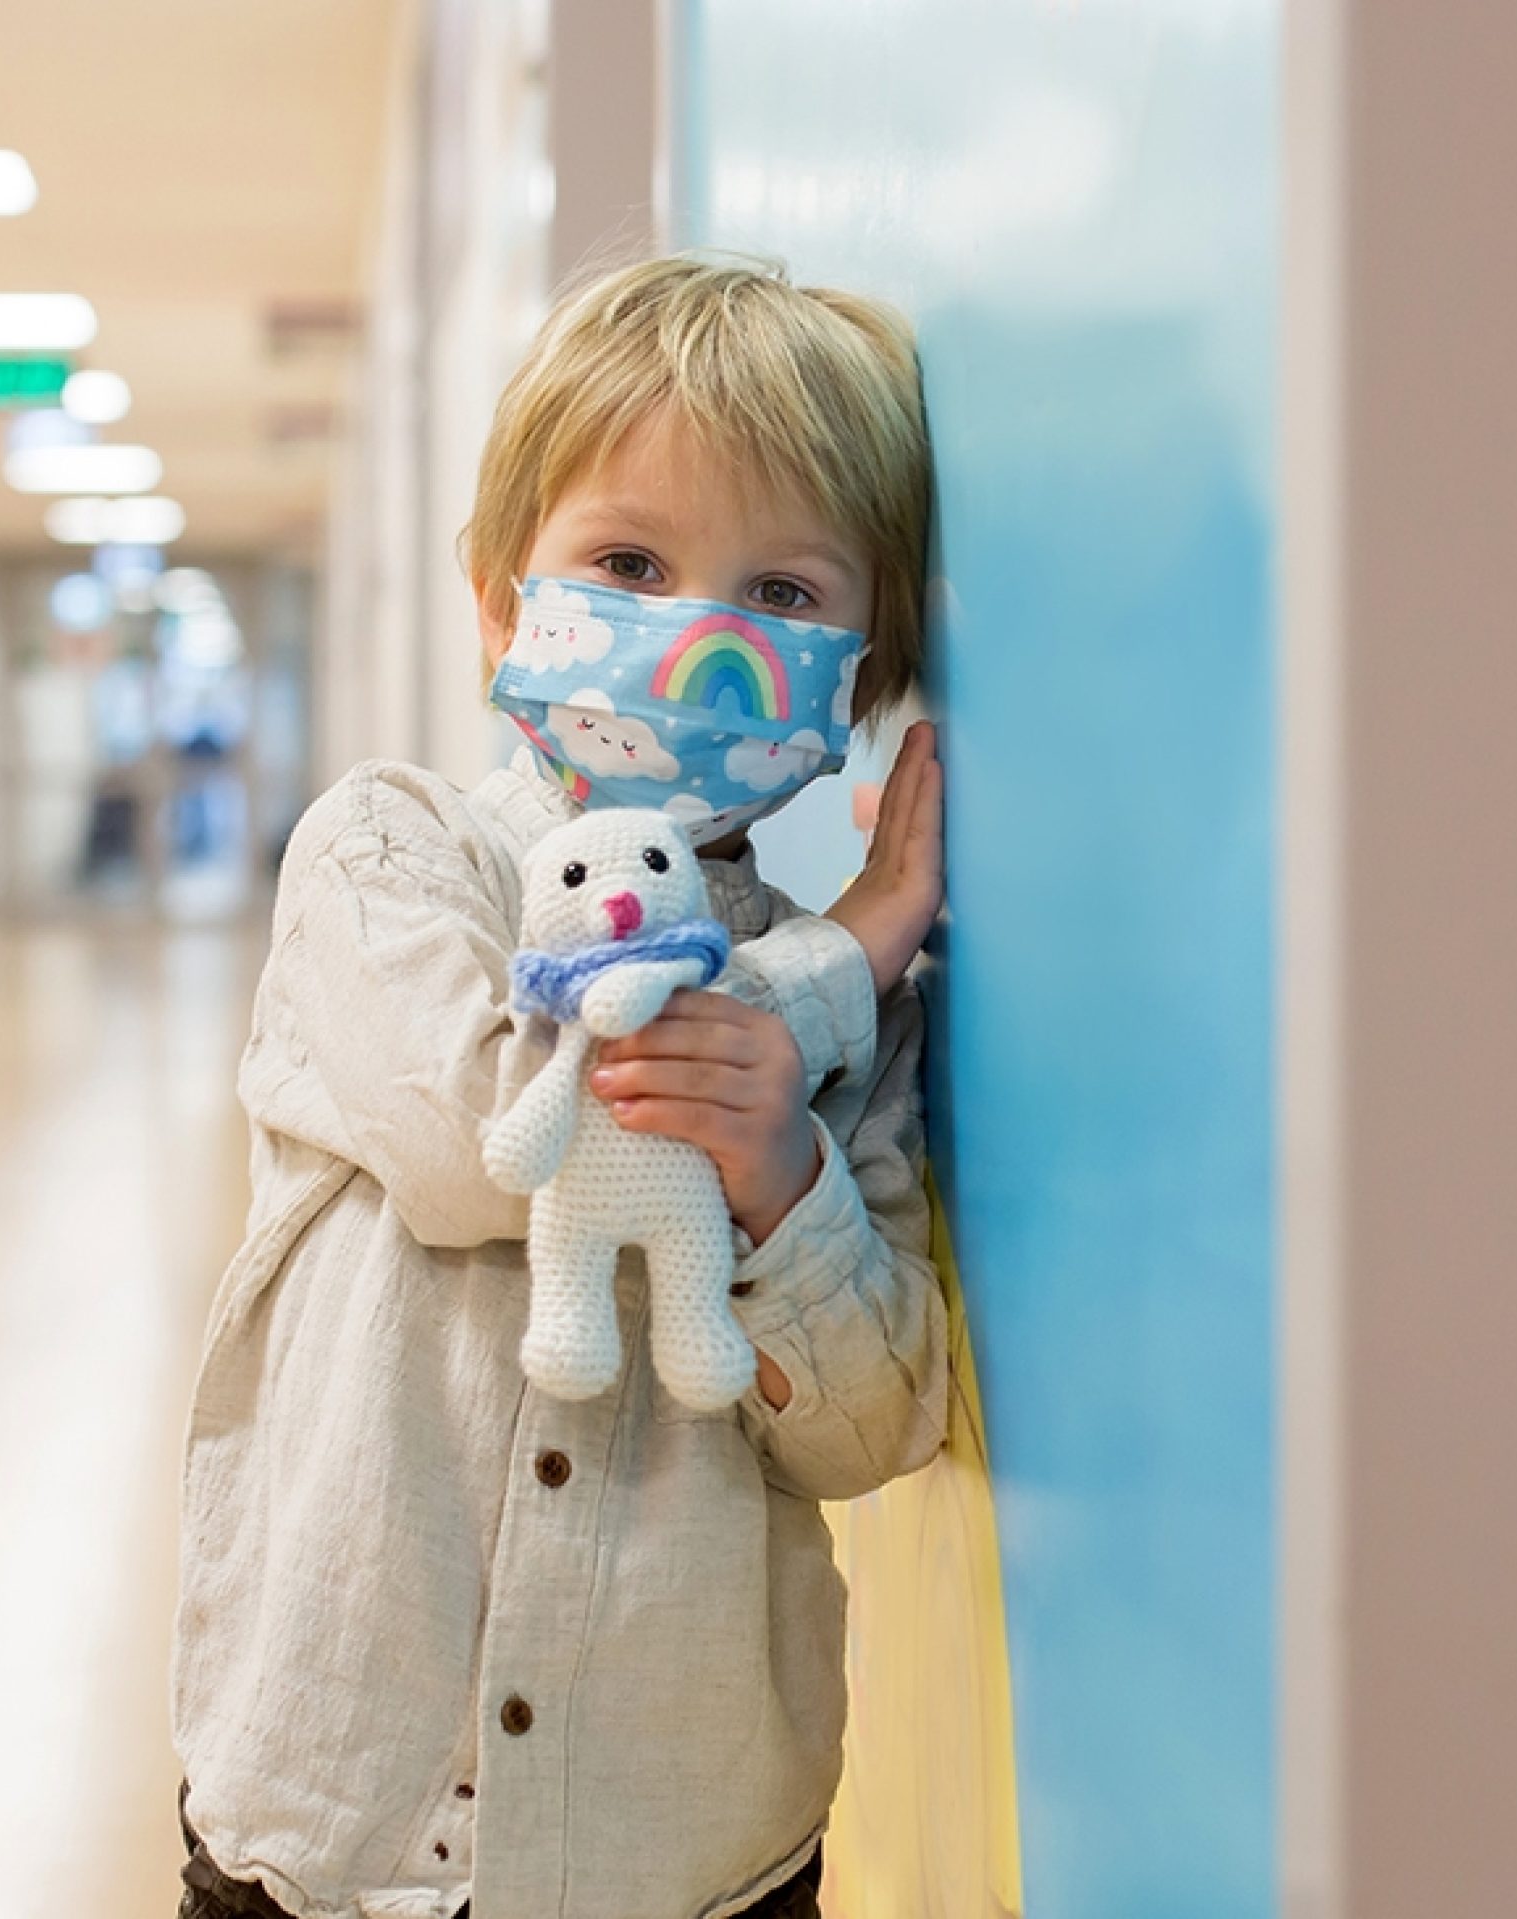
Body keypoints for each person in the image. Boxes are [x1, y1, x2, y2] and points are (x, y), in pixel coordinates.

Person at [170, 254, 950, 1919]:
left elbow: (873, 1420)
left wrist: (780, 1178)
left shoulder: (875, 1031)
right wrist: (830, 969)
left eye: (788, 597)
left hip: (678, 1849)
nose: (698, 636)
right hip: (330, 1821)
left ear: (864, 681)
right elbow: (479, 1143)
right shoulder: (384, 853)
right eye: (629, 563)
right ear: (501, 604)